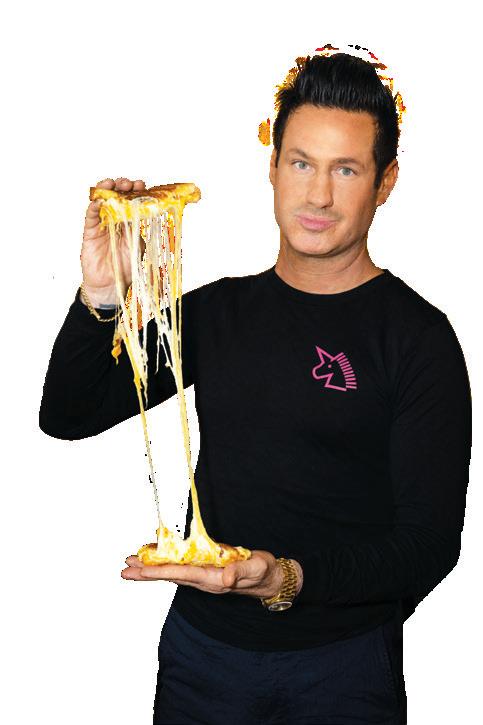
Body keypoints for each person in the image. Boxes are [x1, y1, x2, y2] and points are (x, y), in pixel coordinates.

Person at [39, 53, 472, 725]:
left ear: (384, 182)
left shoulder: (418, 339)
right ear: (272, 167)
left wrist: (285, 578)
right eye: (301, 163)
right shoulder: (219, 312)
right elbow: (69, 413)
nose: (318, 195)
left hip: (344, 666)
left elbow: (429, 544)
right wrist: (102, 293)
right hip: (202, 656)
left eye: (346, 169)